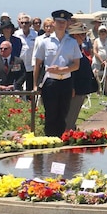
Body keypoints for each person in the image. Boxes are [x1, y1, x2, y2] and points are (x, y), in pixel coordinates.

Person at [33, 10, 81, 138]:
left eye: (63, 22)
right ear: (53, 23)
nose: (61, 25)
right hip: (50, 82)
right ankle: (50, 141)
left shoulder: (72, 42)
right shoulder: (45, 42)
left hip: (66, 81)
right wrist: (35, 84)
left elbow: (76, 65)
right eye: (58, 22)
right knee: (50, 114)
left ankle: (60, 142)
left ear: (67, 24)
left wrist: (62, 70)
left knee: (63, 115)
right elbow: (37, 64)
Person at [64, 23, 98, 131]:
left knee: (72, 118)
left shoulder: (77, 47)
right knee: (69, 119)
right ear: (74, 35)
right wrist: (71, 87)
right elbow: (71, 70)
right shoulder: (70, 49)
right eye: (82, 35)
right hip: (75, 89)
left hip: (81, 88)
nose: (84, 37)